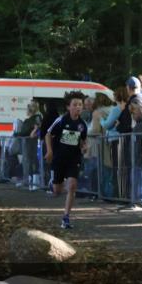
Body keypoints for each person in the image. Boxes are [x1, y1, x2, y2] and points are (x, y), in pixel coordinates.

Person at [44, 91, 89, 229]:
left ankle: (66, 217)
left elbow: (83, 140)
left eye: (80, 105)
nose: (78, 107)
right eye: (74, 104)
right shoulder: (61, 120)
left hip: (73, 159)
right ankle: (54, 183)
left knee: (72, 186)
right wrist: (50, 151)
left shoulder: (83, 124)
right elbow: (48, 134)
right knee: (57, 190)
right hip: (59, 158)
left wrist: (84, 146)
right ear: (68, 107)